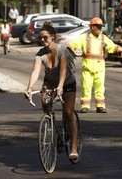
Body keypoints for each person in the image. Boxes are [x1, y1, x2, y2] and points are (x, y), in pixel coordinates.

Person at [26, 21, 78, 160]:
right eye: (40, 38)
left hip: (67, 82)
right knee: (45, 102)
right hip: (50, 82)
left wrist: (60, 86)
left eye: (45, 38)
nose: (42, 40)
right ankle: (50, 123)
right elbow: (35, 72)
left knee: (68, 113)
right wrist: (29, 88)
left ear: (53, 37)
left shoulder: (63, 51)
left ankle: (73, 146)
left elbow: (63, 70)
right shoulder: (40, 54)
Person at [68, 17, 122, 113]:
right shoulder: (84, 38)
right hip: (87, 69)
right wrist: (69, 52)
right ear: (92, 27)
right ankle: (85, 106)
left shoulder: (103, 38)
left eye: (101, 27)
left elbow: (113, 47)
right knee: (86, 87)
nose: (100, 29)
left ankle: (100, 106)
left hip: (99, 69)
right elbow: (72, 46)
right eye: (98, 26)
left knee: (100, 88)